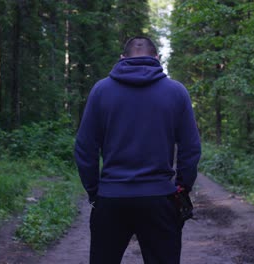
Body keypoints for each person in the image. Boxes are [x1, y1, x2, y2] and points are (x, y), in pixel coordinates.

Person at [74, 36, 201, 264]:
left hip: (111, 199)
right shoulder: (176, 92)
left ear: (122, 59)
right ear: (157, 58)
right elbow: (190, 149)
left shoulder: (101, 91)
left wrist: (95, 192)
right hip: (159, 199)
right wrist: (182, 189)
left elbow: (85, 148)